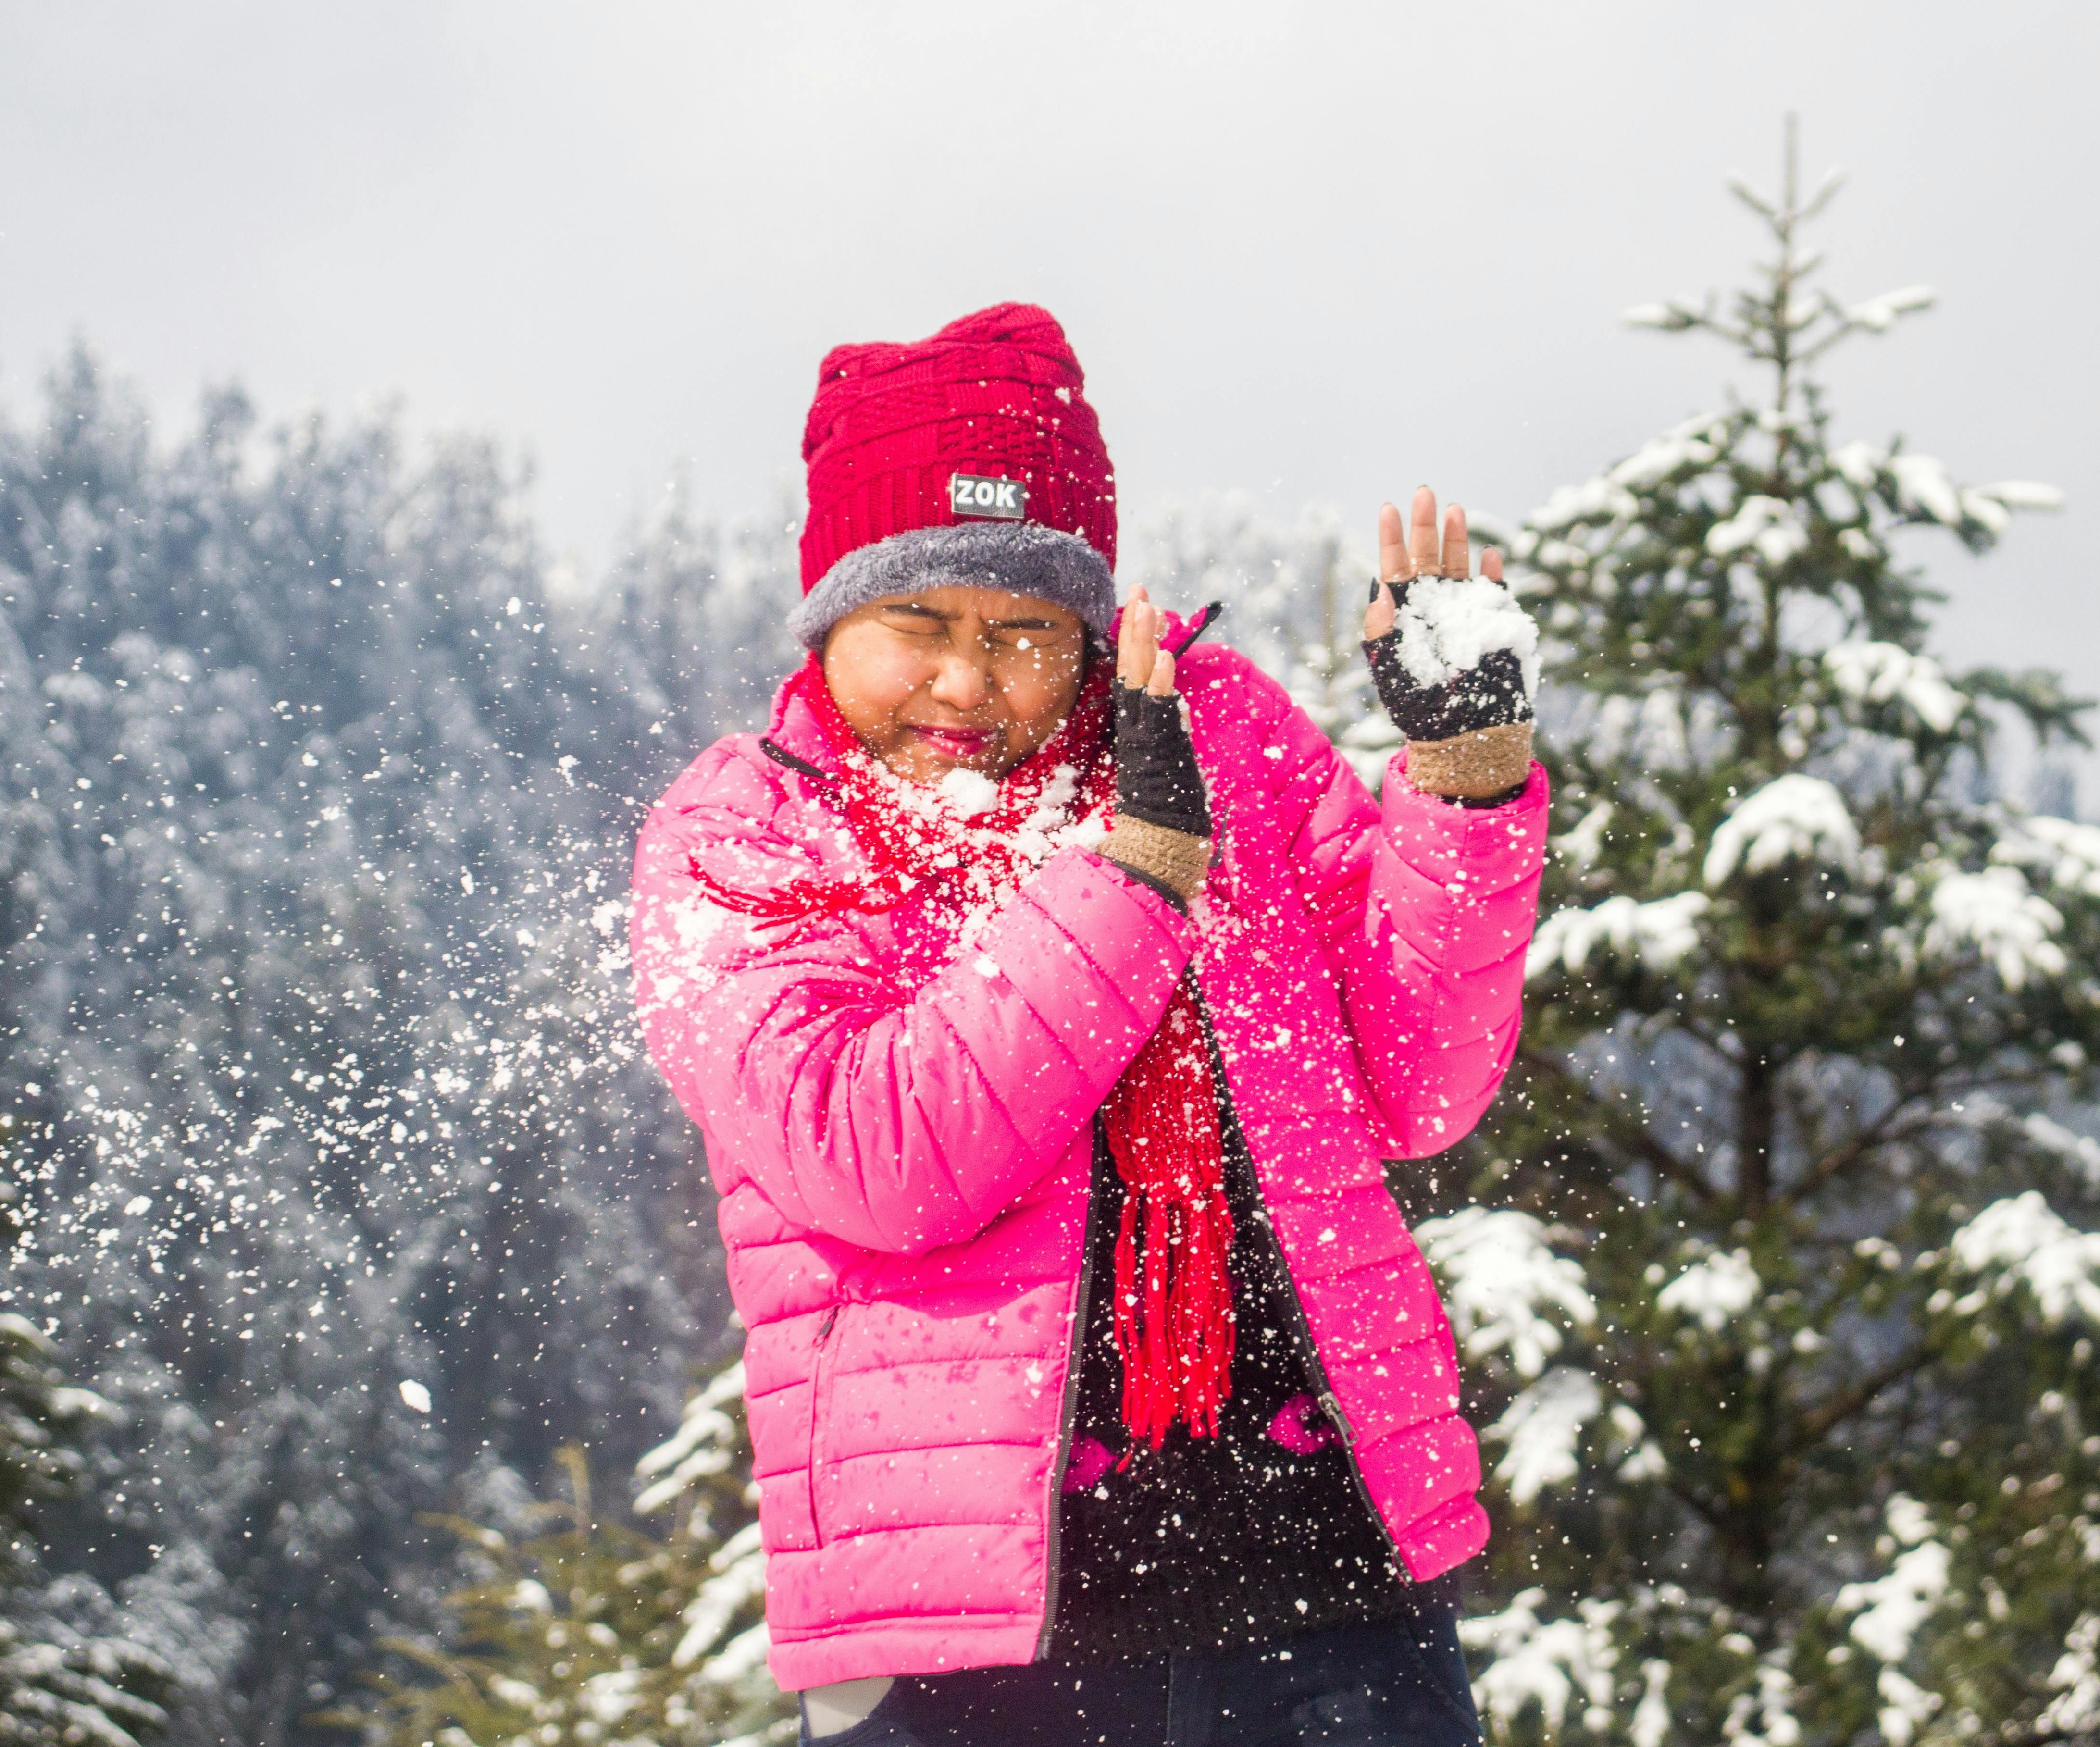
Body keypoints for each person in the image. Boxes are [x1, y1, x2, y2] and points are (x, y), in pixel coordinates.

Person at [631, 303, 1549, 1746]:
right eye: (917, 624)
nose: (966, 677)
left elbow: (1415, 1083)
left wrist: (1467, 780)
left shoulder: (1217, 731)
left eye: (1022, 631)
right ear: (826, 617)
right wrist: (1135, 881)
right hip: (963, 1651)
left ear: (1091, 625)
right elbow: (883, 1159)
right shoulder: (748, 827)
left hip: (1330, 1590)